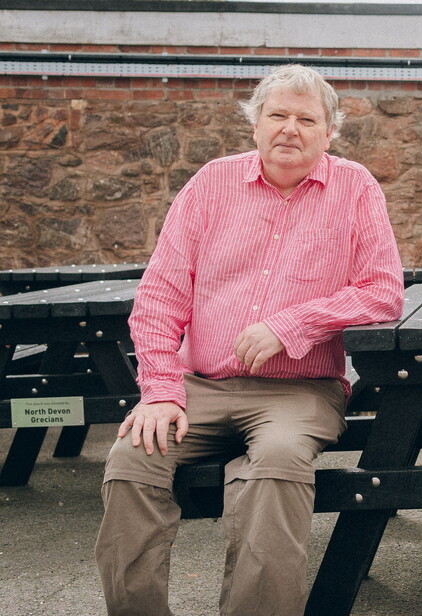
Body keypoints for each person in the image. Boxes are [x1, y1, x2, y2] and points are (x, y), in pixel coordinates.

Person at [95, 64, 405, 616]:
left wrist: (293, 325)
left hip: (300, 390)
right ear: (255, 124)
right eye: (277, 115)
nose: (290, 128)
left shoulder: (355, 187)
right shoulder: (211, 182)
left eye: (306, 118)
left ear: (328, 132)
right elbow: (160, 298)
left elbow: (383, 293)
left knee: (278, 461)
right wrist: (160, 390)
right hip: (200, 386)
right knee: (132, 458)